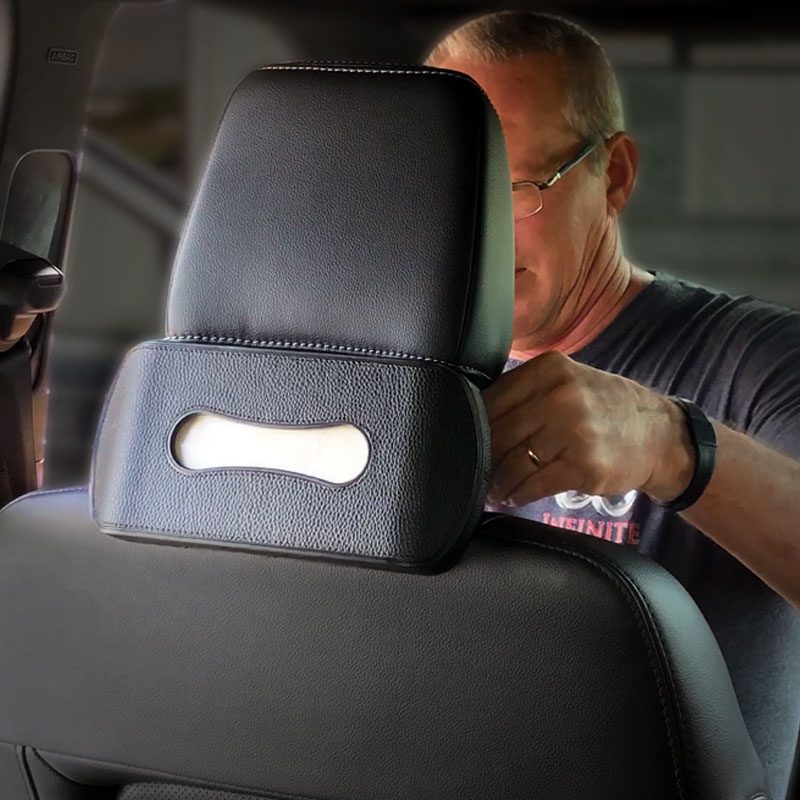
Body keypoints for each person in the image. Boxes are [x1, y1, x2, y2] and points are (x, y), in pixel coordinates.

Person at [426, 11, 800, 798]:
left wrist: (676, 449)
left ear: (615, 177)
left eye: (517, 189)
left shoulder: (754, 359)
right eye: (448, 191)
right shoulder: (400, 367)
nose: (477, 231)